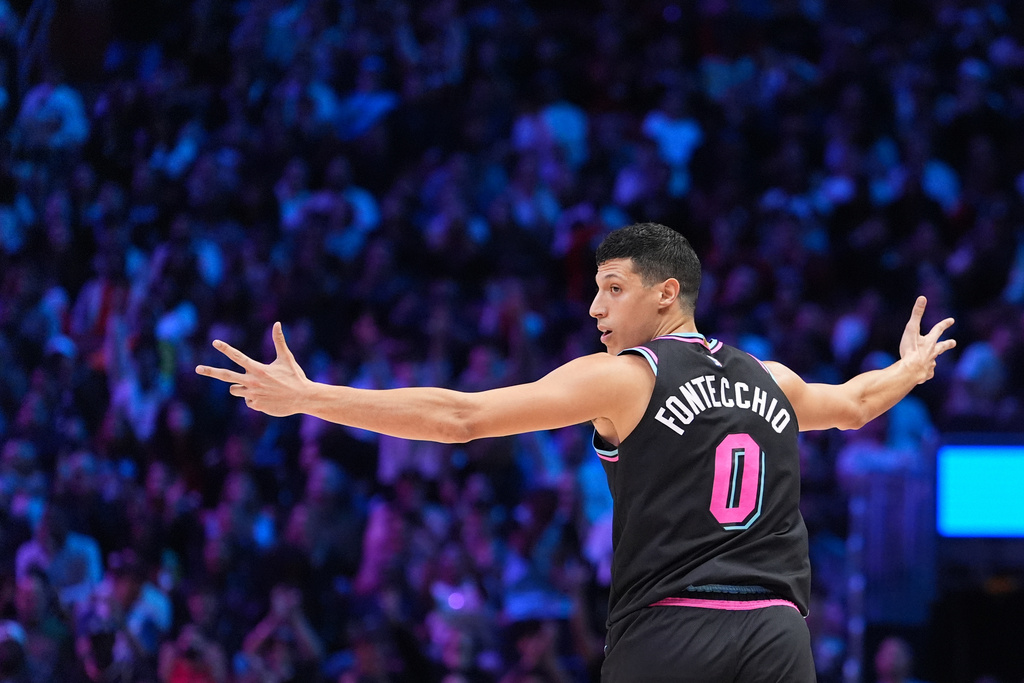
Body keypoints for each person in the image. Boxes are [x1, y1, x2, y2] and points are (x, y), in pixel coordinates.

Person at [197, 222, 956, 682]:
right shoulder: (771, 376)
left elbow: (462, 417)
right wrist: (911, 369)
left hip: (671, 627)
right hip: (777, 631)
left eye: (613, 288)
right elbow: (855, 405)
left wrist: (313, 397)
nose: (595, 307)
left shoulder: (626, 376)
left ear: (666, 294)